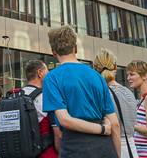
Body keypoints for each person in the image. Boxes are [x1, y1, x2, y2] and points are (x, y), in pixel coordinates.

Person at [43, 25, 120, 158]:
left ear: (53, 52)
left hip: (74, 148)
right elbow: (114, 124)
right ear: (76, 48)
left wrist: (102, 130)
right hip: (105, 149)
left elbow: (65, 120)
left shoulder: (52, 78)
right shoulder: (96, 76)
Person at [93, 49, 138, 158]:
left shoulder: (100, 94)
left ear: (95, 69)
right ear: (116, 67)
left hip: (112, 148)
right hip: (132, 149)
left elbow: (113, 125)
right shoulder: (129, 92)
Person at [23, 60, 60, 158]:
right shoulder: (45, 97)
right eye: (47, 72)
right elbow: (58, 133)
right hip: (44, 152)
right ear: (40, 73)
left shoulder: (16, 96)